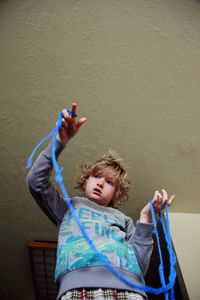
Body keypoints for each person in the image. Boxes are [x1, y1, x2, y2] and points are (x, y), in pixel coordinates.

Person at [26, 103, 175, 300]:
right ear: (86, 180)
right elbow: (36, 182)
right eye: (96, 176)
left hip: (130, 292)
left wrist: (146, 217)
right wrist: (59, 142)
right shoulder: (68, 207)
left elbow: (139, 265)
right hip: (77, 290)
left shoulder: (123, 220)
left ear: (116, 193)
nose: (100, 183)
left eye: (109, 182)